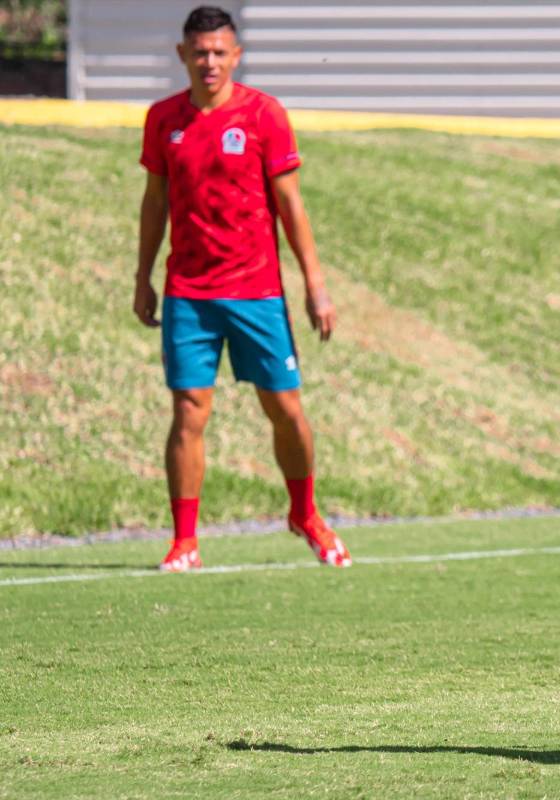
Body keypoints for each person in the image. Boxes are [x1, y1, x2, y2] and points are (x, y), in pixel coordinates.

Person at [134, 6, 350, 571]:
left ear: (236, 56)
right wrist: (142, 277)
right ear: (182, 55)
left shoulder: (264, 115)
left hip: (257, 293)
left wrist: (316, 286)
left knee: (285, 409)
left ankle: (304, 513)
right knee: (188, 411)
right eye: (199, 52)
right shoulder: (163, 119)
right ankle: (185, 541)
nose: (209, 62)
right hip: (188, 293)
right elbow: (154, 202)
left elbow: (291, 205)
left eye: (219, 52)